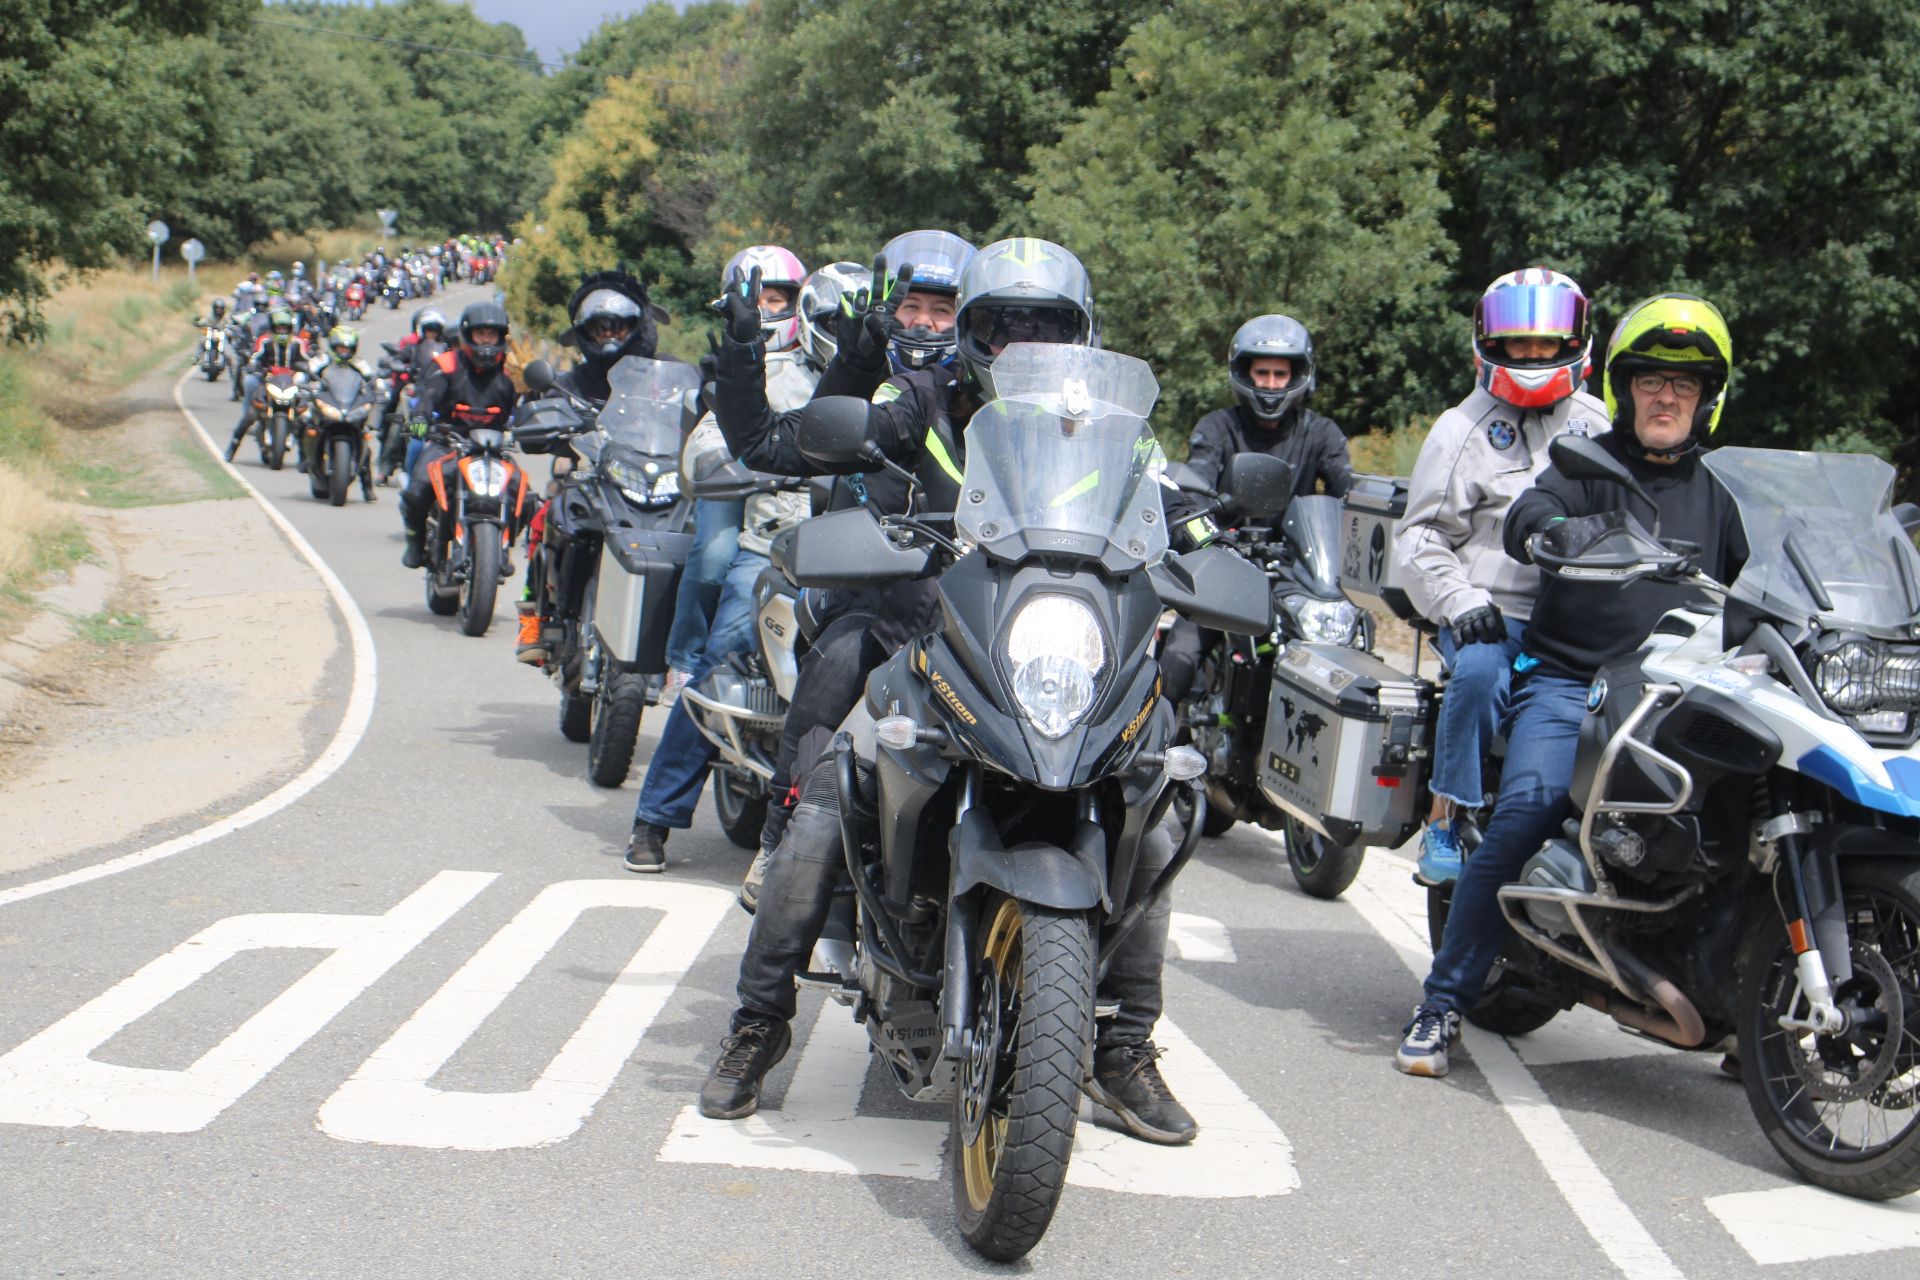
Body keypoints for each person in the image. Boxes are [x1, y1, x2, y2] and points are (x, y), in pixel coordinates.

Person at [696, 238, 1201, 1147]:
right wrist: (738, 360)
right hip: (928, 648)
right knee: (824, 800)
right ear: (969, 332)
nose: (1019, 343)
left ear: (1078, 338)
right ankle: (758, 1024)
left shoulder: (1112, 428)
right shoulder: (919, 402)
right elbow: (774, 444)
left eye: (1043, 327)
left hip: (1059, 659)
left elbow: (1172, 502)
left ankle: (1125, 1046)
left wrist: (1217, 539)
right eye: (1000, 324)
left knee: (1155, 807)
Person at [1394, 293, 1747, 1078]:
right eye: (1652, 381)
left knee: (1755, 819)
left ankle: (1751, 1013)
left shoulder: (1722, 497)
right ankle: (1441, 1004)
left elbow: (1759, 587)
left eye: (1683, 386)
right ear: (1625, 390)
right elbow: (1531, 515)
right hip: (1571, 682)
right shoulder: (1586, 460)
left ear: (1707, 400)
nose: (1665, 398)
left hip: (1676, 692)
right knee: (1525, 810)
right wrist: (1553, 530)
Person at [616, 265, 856, 869]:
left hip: (865, 558)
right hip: (776, 548)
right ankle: (655, 818)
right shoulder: (770, 376)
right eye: (834, 324)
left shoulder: (891, 387)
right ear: (808, 319)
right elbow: (703, 456)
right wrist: (753, 464)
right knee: (723, 659)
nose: (846, 335)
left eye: (855, 325)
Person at [1396, 269, 1609, 885]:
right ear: (1492, 344)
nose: (1534, 356)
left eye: (1546, 343)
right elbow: (1421, 536)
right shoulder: (1461, 429)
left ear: (1575, 342)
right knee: (1482, 670)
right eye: (1520, 344)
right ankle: (1447, 814)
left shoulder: (1597, 427)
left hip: (1578, 624)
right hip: (1491, 616)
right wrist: (1459, 599)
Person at [1160, 314, 1355, 702]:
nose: (1270, 384)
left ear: (1297, 376)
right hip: (1225, 565)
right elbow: (1193, 485)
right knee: (1180, 656)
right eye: (1261, 372)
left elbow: (1350, 491)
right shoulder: (1217, 427)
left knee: (1353, 648)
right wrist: (1205, 537)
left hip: (1299, 573)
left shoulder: (1321, 433)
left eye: (1279, 374)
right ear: (1244, 374)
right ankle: (1145, 753)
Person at [663, 246, 807, 693]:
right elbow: (708, 431)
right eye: (755, 298)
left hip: (790, 492)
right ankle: (684, 661)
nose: (764, 309)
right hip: (737, 481)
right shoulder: (722, 358)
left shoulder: (817, 361)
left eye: (775, 299)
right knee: (714, 555)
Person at [515, 269, 667, 662]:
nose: (608, 335)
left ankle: (680, 645)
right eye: (599, 328)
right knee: (546, 514)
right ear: (586, 332)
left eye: (617, 326)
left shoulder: (664, 377)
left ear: (636, 325)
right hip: (587, 475)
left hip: (651, 480)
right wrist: (550, 426)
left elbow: (693, 414)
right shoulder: (571, 382)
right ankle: (532, 618)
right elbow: (541, 415)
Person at [398, 301, 523, 569]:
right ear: (468, 335)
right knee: (417, 490)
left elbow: (528, 405)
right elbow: (427, 399)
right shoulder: (446, 365)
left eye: (492, 335)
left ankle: (502, 546)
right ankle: (415, 541)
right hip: (449, 443)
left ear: (501, 337)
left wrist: (536, 424)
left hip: (494, 448)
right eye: (481, 334)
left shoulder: (512, 370)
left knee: (525, 495)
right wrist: (420, 419)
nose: (486, 341)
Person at [225, 308, 309, 461]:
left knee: (307, 416)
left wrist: (307, 369)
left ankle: (305, 457)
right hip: (268, 380)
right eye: (278, 328)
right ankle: (233, 446)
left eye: (285, 328)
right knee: (250, 387)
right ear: (273, 328)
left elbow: (307, 360)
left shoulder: (298, 343)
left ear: (290, 329)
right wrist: (254, 367)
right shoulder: (264, 341)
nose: (282, 331)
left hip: (292, 382)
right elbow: (254, 358)